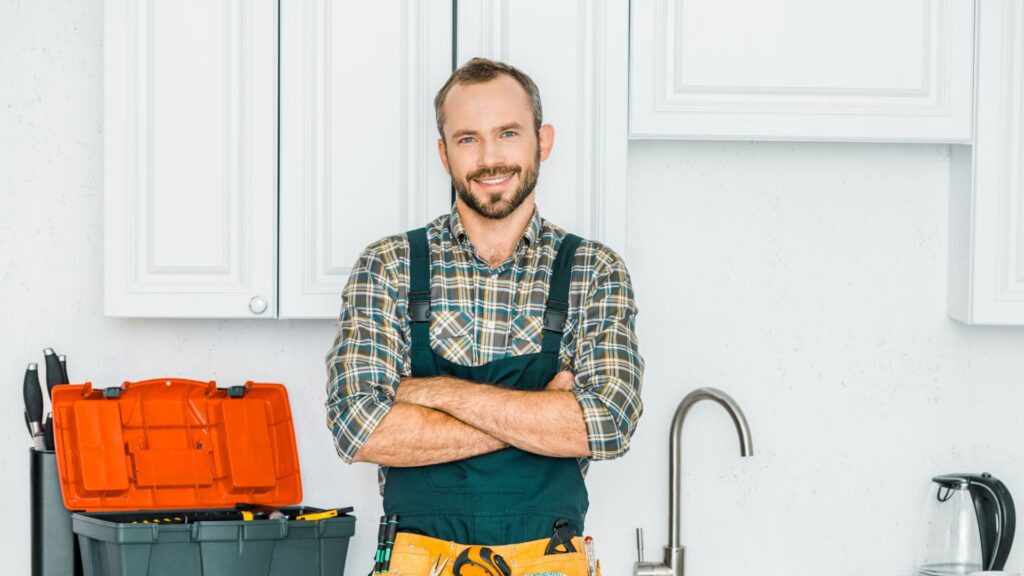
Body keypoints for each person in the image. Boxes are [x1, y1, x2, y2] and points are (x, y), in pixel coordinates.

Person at [325, 57, 643, 575]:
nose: (490, 157)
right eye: (468, 138)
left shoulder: (593, 270)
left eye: (508, 133)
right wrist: (541, 415)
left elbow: (607, 424)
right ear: (444, 154)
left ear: (542, 141)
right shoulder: (389, 265)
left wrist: (429, 392)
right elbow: (358, 428)